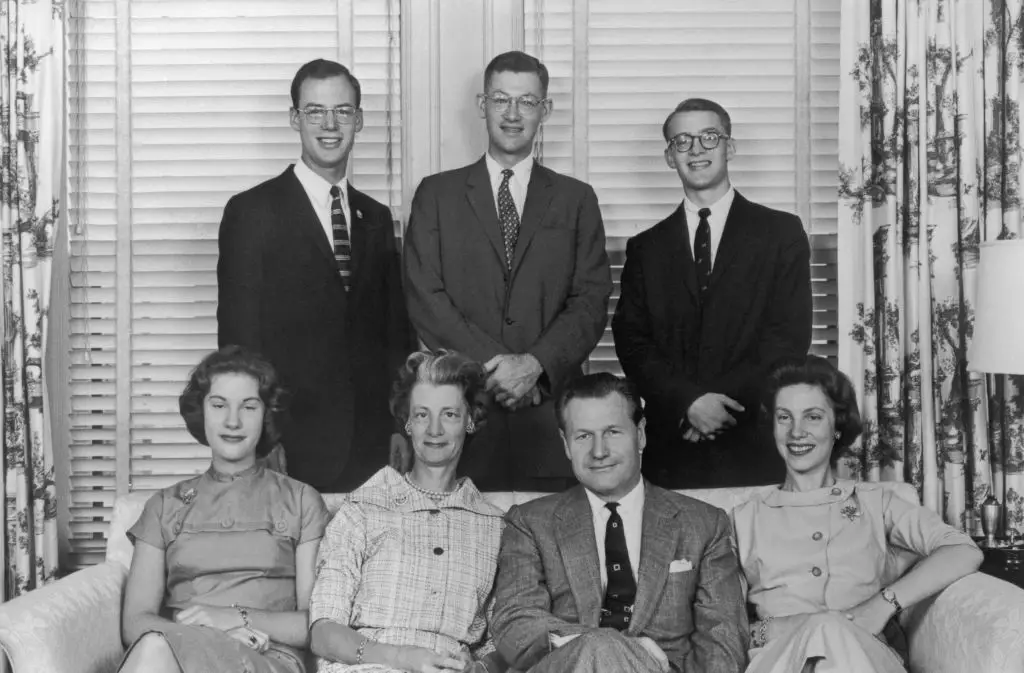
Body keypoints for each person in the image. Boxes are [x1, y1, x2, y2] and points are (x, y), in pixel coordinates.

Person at [403, 50, 612, 492]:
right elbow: (427, 298)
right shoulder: (436, 195)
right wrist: (495, 373)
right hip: (464, 422)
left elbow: (590, 301)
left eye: (527, 102)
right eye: (501, 100)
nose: (513, 114)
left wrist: (536, 365)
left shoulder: (577, 200)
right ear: (483, 107)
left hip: (550, 419)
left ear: (545, 109)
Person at [217, 58, 412, 493]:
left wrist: (400, 424)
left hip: (371, 448)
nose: (330, 124)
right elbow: (237, 343)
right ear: (294, 118)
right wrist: (262, 435)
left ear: (358, 121)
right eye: (315, 111)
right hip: (289, 445)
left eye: (342, 111)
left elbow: (394, 336)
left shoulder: (376, 217)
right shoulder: (252, 213)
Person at [732, 355, 983, 673]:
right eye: (784, 418)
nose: (797, 431)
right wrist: (789, 627)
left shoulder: (876, 502)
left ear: (836, 426)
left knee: (832, 634)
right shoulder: (743, 517)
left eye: (812, 417)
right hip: (780, 661)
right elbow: (720, 622)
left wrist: (883, 603)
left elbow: (962, 550)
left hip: (865, 657)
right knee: (826, 629)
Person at [611, 97, 812, 489]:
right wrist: (689, 402)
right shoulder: (645, 247)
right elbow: (632, 342)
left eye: (709, 137)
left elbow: (788, 337)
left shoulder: (780, 233)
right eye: (682, 141)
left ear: (729, 147)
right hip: (672, 444)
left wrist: (720, 406)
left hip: (754, 437)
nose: (697, 149)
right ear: (670, 157)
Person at [491, 373, 748, 673]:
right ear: (565, 444)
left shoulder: (704, 523)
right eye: (583, 436)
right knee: (601, 647)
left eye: (612, 432)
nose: (599, 451)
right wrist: (611, 646)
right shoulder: (530, 522)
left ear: (640, 434)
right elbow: (515, 623)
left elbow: (724, 636)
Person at [118, 346, 331, 673]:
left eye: (248, 406)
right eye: (219, 405)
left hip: (267, 655)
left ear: (267, 414)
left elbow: (315, 624)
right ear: (201, 411)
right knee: (152, 649)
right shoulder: (164, 506)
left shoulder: (302, 501)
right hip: (181, 650)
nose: (233, 421)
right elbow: (135, 621)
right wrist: (210, 635)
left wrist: (238, 619)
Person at [309, 350, 507, 673]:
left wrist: (479, 666)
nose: (434, 430)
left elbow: (500, 641)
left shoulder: (495, 527)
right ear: (407, 423)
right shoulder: (361, 510)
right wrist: (401, 659)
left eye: (450, 415)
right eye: (421, 415)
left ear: (470, 420)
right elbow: (323, 633)